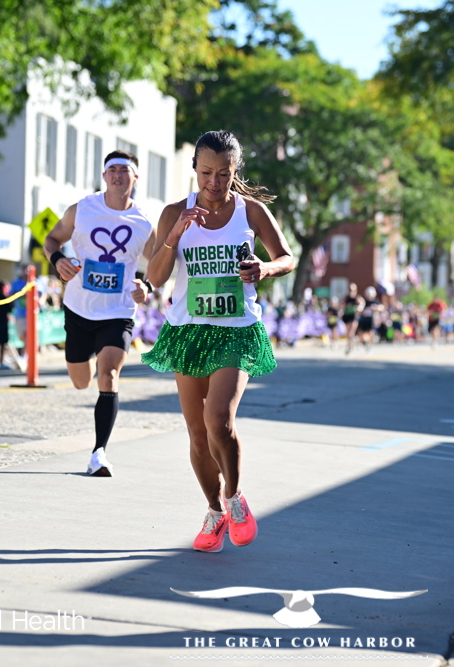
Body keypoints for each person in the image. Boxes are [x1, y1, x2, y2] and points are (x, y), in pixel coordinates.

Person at [141, 130, 295, 553]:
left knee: (218, 421)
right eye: (206, 172)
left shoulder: (251, 211)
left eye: (224, 173)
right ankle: (213, 511)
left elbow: (287, 257)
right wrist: (174, 236)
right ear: (194, 168)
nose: (214, 182)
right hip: (188, 330)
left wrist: (265, 269)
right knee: (196, 434)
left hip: (236, 329)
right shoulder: (175, 212)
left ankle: (235, 498)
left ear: (235, 170)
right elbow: (155, 277)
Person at [44, 149, 155, 477]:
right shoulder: (82, 209)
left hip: (118, 310)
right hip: (79, 308)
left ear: (135, 178)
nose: (118, 175)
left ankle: (99, 454)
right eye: (113, 170)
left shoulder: (143, 222)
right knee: (81, 382)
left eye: (125, 170)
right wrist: (57, 260)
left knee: (109, 376)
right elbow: (51, 239)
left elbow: (159, 263)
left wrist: (147, 285)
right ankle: (90, 361)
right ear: (104, 176)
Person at [341, 284, 362, 355]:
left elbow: (362, 304)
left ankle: (349, 346)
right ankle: (351, 344)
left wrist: (359, 307)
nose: (351, 291)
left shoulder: (357, 298)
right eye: (350, 290)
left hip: (353, 317)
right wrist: (344, 306)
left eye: (352, 290)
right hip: (346, 317)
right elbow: (341, 305)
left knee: (351, 332)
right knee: (348, 333)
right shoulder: (346, 298)